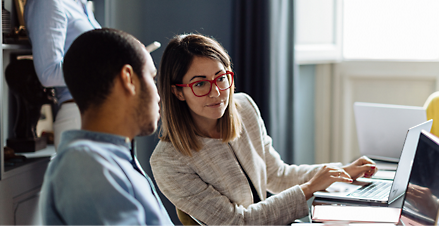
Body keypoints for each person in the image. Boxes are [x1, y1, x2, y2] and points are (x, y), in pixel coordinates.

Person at [150, 33, 378, 225]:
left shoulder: (244, 108)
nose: (217, 92)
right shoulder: (168, 161)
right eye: (200, 84)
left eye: (221, 78)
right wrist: (309, 188)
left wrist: (340, 173)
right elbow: (238, 222)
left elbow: (277, 175)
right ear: (178, 92)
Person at [38, 28, 173, 225]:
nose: (159, 95)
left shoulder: (110, 158)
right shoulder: (85, 163)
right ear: (128, 79)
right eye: (152, 78)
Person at [25, 0, 101, 149]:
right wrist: (107, 68)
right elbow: (48, 73)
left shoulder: (81, 4)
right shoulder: (48, 3)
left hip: (98, 113)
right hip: (78, 118)